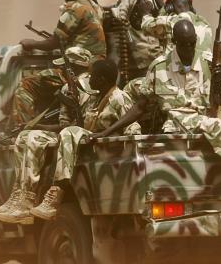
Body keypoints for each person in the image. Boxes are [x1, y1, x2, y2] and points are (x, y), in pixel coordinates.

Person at [92, 20, 221, 215]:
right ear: (175, 42)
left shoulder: (207, 62)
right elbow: (140, 107)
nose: (189, 48)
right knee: (218, 128)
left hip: (206, 115)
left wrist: (219, 82)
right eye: (184, 44)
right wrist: (109, 131)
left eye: (192, 43)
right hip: (179, 120)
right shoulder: (159, 67)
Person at [29, 59, 141, 221]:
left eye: (92, 76)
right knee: (59, 132)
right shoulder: (94, 99)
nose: (88, 79)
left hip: (107, 157)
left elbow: (133, 128)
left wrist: (109, 136)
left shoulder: (119, 98)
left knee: (69, 132)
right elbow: (80, 126)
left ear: (101, 80)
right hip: (88, 154)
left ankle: (57, 189)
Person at [0, 47, 94, 224]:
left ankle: (29, 197)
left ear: (74, 68)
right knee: (24, 136)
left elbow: (78, 124)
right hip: (68, 133)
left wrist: (38, 126)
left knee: (33, 138)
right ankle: (21, 195)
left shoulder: (90, 86)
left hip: (84, 135)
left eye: (65, 68)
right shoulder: (67, 88)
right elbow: (64, 124)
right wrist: (35, 126)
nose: (60, 71)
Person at [10, 0, 106, 126]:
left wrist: (32, 43)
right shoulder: (94, 6)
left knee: (26, 84)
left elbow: (54, 41)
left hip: (77, 70)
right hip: (96, 68)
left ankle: (22, 131)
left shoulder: (75, 7)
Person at [110, 0, 162, 80]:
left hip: (132, 59)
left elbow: (118, 19)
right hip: (150, 59)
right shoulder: (150, 1)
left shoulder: (125, 0)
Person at [139, 0, 213, 60]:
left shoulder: (173, 22)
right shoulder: (204, 23)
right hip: (201, 69)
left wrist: (145, 13)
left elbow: (147, 25)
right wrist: (162, 7)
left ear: (170, 8)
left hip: (179, 70)